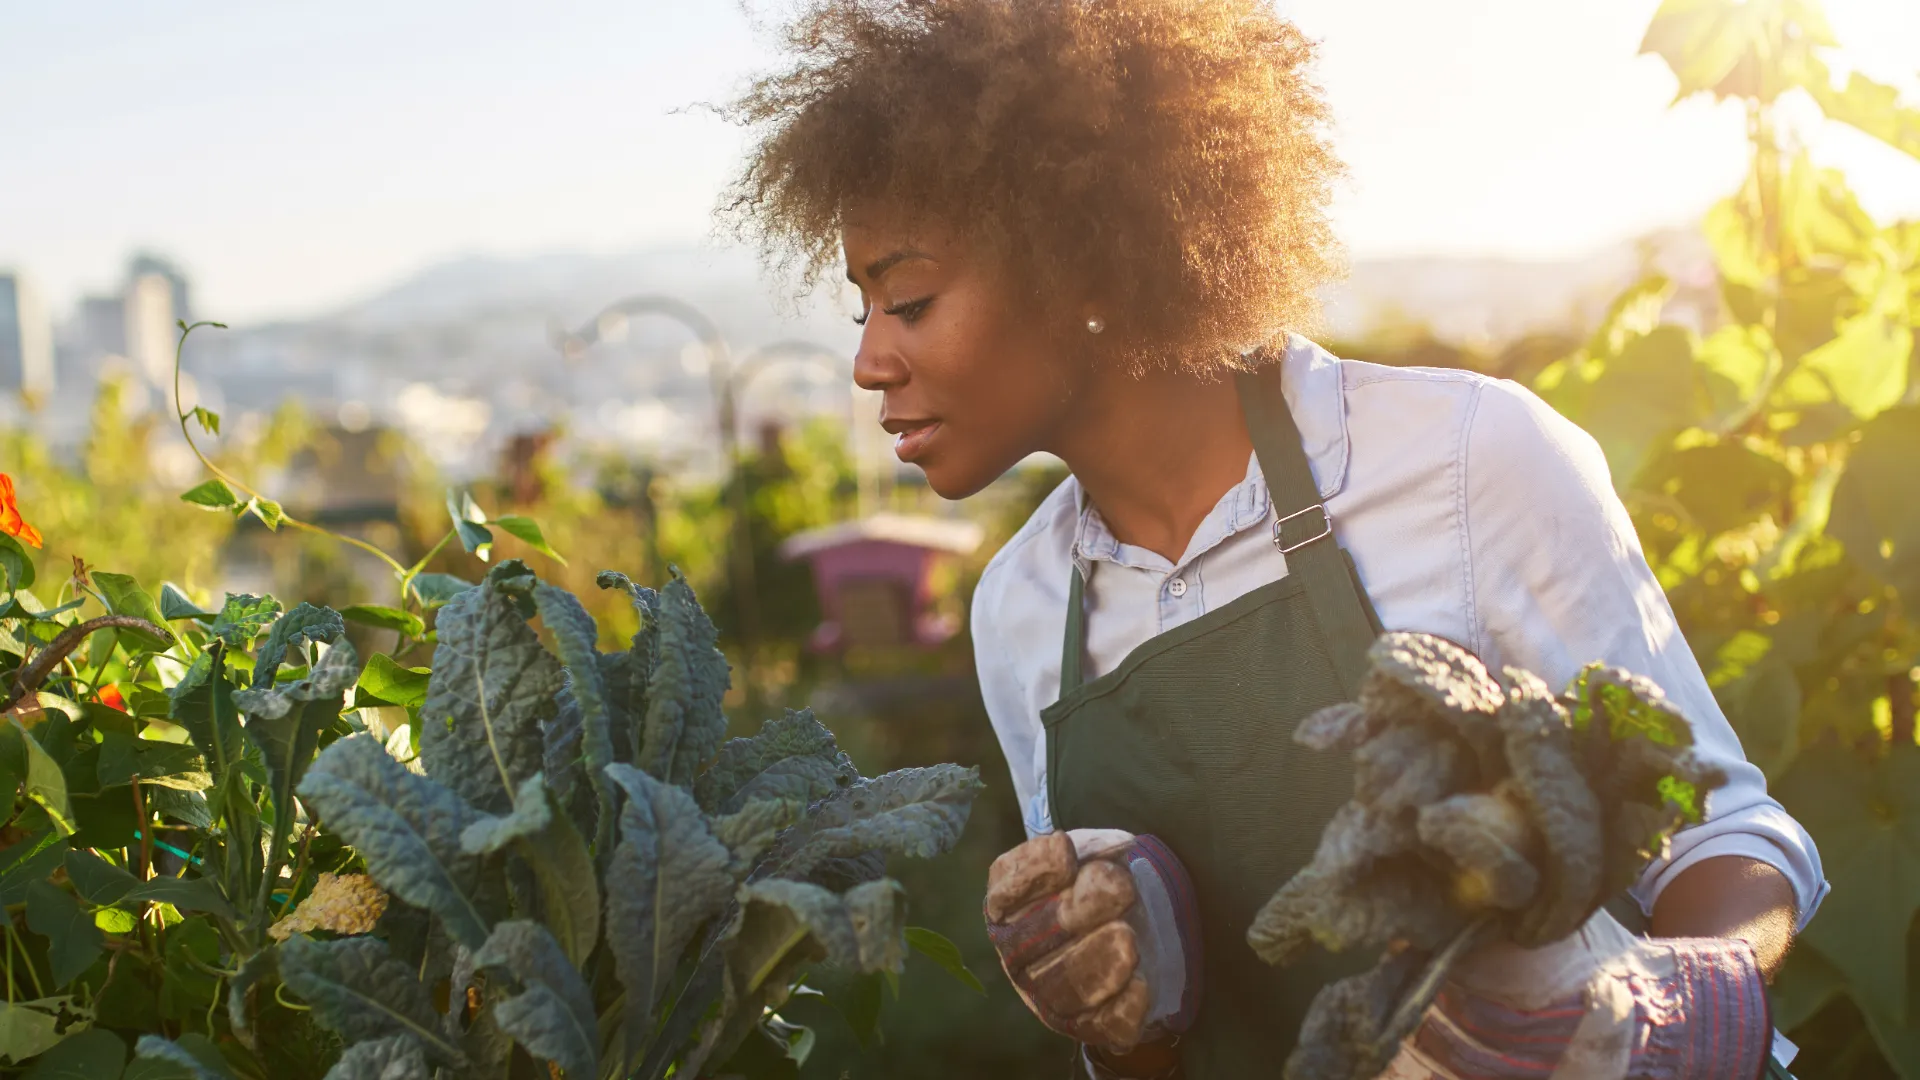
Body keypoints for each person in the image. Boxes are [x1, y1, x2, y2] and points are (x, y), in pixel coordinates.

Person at [724, 1, 1825, 1077]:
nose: (870, 360)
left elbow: (1724, 831)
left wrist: (1682, 1001)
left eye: (907, 300)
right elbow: (1145, 1049)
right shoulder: (1019, 613)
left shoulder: (1464, 460)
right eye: (862, 310)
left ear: (1088, 263)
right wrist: (1119, 1003)